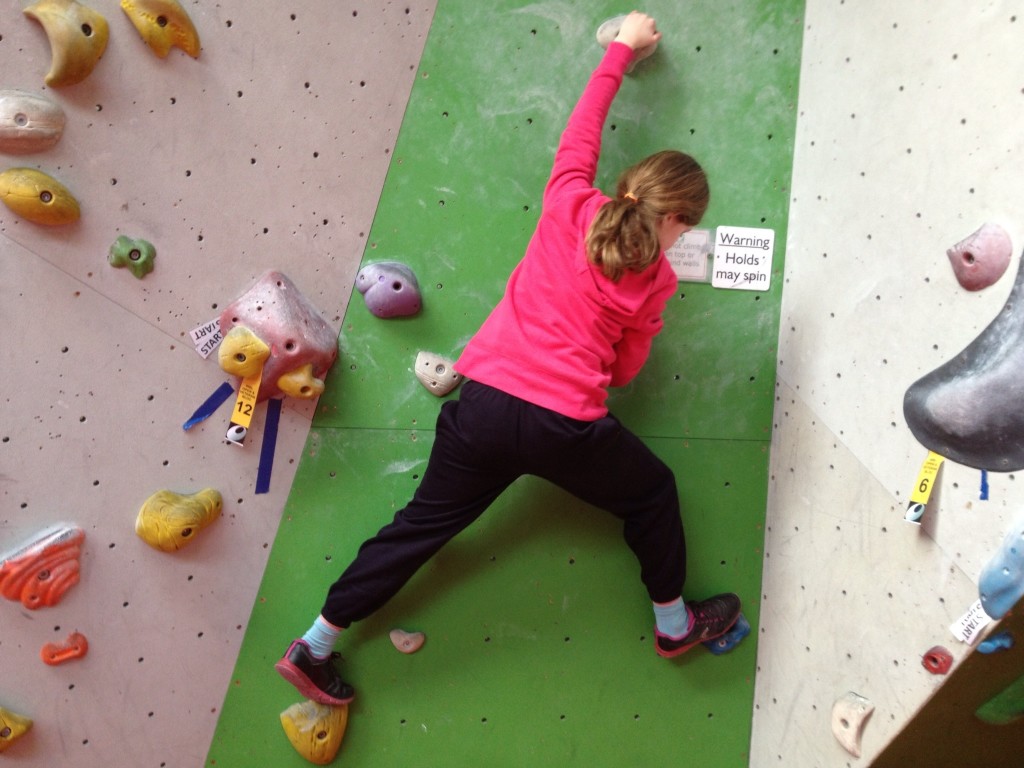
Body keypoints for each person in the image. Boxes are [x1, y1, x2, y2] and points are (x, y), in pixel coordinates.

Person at [276, 11, 741, 707]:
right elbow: (621, 375)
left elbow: (581, 130)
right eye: (686, 228)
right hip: (566, 426)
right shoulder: (657, 281)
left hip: (483, 407)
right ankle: (673, 626)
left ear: (626, 189)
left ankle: (314, 644)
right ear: (676, 222)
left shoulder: (568, 201)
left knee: (420, 528)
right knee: (649, 492)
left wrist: (620, 49)